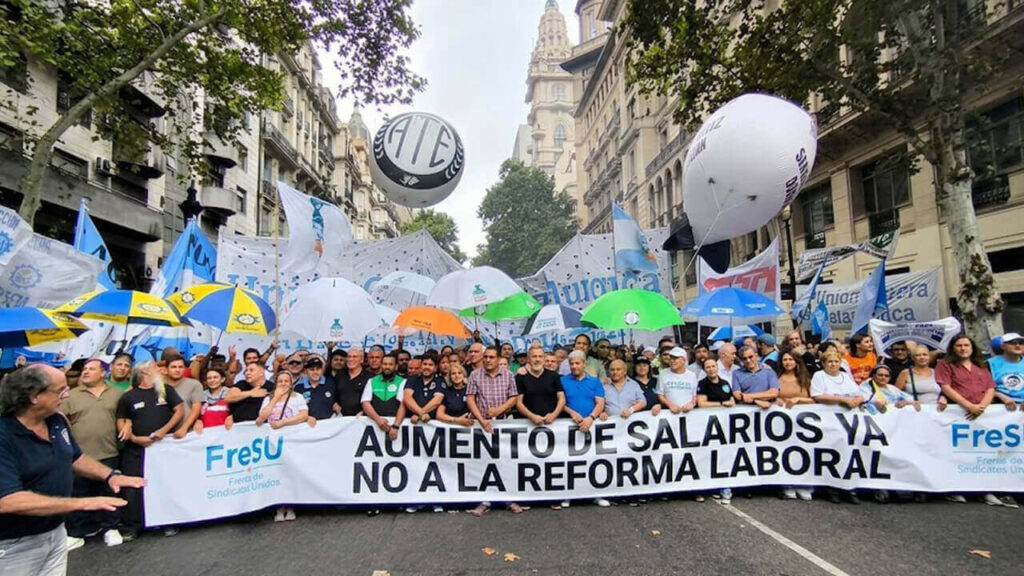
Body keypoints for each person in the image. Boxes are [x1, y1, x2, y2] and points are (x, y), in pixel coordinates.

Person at [0, 365, 145, 575]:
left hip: (56, 532)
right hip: (15, 544)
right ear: (33, 396)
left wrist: (110, 476)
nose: (67, 395)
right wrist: (82, 503)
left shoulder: (57, 421)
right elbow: (7, 500)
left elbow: (74, 457)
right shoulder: (4, 435)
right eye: (60, 391)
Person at [61, 359, 125, 548]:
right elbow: (59, 419)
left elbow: (125, 416)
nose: (86, 372)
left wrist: (127, 424)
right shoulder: (70, 396)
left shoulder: (117, 394)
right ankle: (77, 532)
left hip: (109, 451)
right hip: (79, 457)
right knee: (78, 493)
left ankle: (111, 528)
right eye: (85, 369)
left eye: (91, 369)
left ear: (103, 373)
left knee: (110, 490)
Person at [115, 362, 183, 538]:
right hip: (136, 448)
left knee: (165, 482)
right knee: (133, 486)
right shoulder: (128, 397)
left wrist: (164, 431)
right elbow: (121, 420)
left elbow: (179, 410)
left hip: (162, 446)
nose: (159, 369)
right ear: (144, 371)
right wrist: (134, 438)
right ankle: (133, 526)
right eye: (154, 367)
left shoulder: (165, 390)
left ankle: (168, 521)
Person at [466, 347, 521, 515]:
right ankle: (484, 500)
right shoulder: (475, 375)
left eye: (492, 357)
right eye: (486, 357)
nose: (488, 360)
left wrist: (499, 410)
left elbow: (514, 397)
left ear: (498, 359)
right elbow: (470, 398)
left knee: (504, 462)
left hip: (502, 425)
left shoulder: (508, 375)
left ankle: (508, 499)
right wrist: (482, 420)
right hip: (481, 426)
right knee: (483, 464)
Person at [810, 349, 866, 504]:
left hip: (850, 421)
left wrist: (858, 399)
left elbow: (858, 392)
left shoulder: (845, 376)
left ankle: (849, 489)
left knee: (850, 453)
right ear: (823, 363)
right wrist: (842, 399)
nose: (833, 364)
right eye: (829, 362)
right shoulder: (819, 376)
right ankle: (832, 489)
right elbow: (817, 395)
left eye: (836, 361)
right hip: (830, 420)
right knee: (833, 453)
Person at [558, 351, 609, 510]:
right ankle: (569, 494)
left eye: (577, 363)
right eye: (571, 364)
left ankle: (596, 494)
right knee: (569, 462)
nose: (574, 366)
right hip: (569, 426)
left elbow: (600, 402)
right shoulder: (562, 381)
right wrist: (572, 413)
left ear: (584, 364)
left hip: (591, 426)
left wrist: (591, 418)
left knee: (593, 460)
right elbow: (560, 402)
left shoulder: (594, 382)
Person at [256, 371, 309, 522]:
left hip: (291, 439)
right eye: (280, 381)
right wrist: (275, 398)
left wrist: (284, 422)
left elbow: (304, 415)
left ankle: (291, 504)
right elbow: (261, 419)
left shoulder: (297, 397)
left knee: (289, 472)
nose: (284, 384)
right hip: (273, 442)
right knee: (276, 473)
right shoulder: (268, 398)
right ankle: (279, 506)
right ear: (276, 383)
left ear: (291, 383)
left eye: (287, 381)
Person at [695, 357, 736, 504]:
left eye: (713, 366)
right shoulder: (702, 384)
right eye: (708, 367)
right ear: (704, 370)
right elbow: (701, 403)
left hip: (725, 425)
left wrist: (730, 402)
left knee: (725, 455)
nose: (711, 369)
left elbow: (731, 400)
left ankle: (725, 488)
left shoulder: (725, 383)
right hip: (708, 425)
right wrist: (721, 404)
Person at [361, 353, 407, 441]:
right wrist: (378, 421)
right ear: (381, 365)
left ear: (396, 366)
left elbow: (403, 404)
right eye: (385, 364)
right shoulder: (372, 381)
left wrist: (396, 425)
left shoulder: (403, 382)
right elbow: (365, 403)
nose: (387, 367)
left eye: (390, 364)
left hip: (395, 426)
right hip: (374, 424)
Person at [515, 346, 565, 426]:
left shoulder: (554, 376)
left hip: (553, 424)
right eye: (534, 356)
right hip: (528, 424)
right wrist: (532, 417)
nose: (537, 359)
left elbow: (561, 398)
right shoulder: (520, 377)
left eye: (540, 356)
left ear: (543, 359)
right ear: (528, 359)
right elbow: (518, 403)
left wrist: (554, 415)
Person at [162, 355, 203, 440]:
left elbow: (196, 408)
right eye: (173, 367)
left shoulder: (194, 384)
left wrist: (184, 428)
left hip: (187, 434)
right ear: (166, 369)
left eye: (180, 367)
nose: (177, 370)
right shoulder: (158, 385)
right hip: (162, 436)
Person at [294, 356, 338, 422]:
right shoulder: (299, 387)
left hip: (329, 425)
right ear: (306, 371)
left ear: (322, 370)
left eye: (318, 369)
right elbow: (295, 408)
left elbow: (338, 401)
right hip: (307, 424)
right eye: (312, 369)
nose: (315, 372)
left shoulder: (331, 382)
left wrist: (337, 405)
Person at [403, 355, 445, 423]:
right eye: (425, 364)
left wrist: (419, 414)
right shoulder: (412, 379)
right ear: (421, 366)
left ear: (435, 368)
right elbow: (407, 398)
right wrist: (421, 413)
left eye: (430, 365)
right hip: (412, 421)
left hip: (432, 422)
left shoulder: (440, 380)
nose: (427, 367)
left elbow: (437, 401)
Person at [988, 332, 1024, 412]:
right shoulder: (989, 364)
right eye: (1013, 343)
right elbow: (982, 388)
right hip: (999, 407)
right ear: (1002, 346)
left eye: (1021, 343)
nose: (1018, 345)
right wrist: (1001, 397)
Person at [657, 347, 699, 415]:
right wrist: (670, 405)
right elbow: (660, 394)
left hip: (689, 413)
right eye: (671, 358)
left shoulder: (692, 375)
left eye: (676, 358)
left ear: (683, 360)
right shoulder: (663, 374)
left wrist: (691, 404)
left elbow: (695, 395)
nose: (672, 361)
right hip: (669, 413)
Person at [335, 348, 368, 416]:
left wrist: (364, 411)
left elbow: (373, 399)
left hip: (361, 417)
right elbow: (333, 393)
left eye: (354, 357)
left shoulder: (369, 377)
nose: (350, 359)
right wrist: (334, 403)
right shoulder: (340, 375)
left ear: (361, 359)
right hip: (341, 418)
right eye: (349, 356)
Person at [196, 368, 230, 432]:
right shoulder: (201, 396)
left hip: (226, 434)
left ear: (222, 379)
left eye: (215, 377)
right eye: (209, 378)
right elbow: (196, 414)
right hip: (206, 435)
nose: (212, 380)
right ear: (206, 381)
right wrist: (197, 420)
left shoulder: (230, 394)